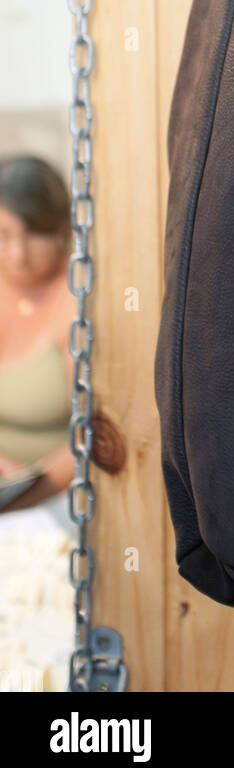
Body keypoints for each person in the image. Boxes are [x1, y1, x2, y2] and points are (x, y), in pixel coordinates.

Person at [0, 155, 74, 512]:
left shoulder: (75, 301)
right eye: (3, 235)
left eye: (34, 234)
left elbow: (94, 435)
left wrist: (22, 496)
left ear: (61, 232)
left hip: (56, 503)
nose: (18, 254)